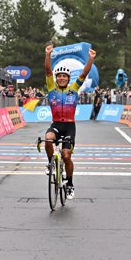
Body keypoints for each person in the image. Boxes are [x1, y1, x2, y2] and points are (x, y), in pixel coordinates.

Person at [44, 44, 96, 200]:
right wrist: (47, 54)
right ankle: (50, 163)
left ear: (68, 79)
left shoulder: (74, 88)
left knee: (66, 156)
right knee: (47, 139)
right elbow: (47, 70)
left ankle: (70, 184)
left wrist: (91, 59)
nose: (61, 78)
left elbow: (84, 73)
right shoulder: (51, 88)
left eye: (64, 76)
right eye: (59, 76)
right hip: (56, 125)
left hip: (69, 126)